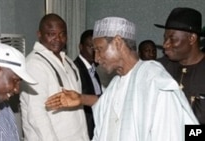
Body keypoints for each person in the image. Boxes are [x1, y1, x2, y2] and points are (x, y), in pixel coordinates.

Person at [45, 17, 199, 141]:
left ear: (118, 42)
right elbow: (108, 111)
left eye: (99, 49)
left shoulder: (154, 81)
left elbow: (169, 134)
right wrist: (80, 98)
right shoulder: (116, 83)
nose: (96, 58)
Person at [20, 13, 89, 141]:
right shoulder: (34, 64)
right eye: (51, 34)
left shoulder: (68, 61)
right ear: (39, 34)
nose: (58, 39)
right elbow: (36, 114)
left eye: (62, 34)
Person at [155, 7, 205, 124]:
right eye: (165, 38)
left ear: (192, 38)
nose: (165, 45)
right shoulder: (158, 68)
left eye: (172, 39)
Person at [74, 29, 102, 139]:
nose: (94, 51)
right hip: (84, 128)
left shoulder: (93, 69)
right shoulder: (75, 68)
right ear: (81, 47)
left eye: (96, 48)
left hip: (96, 126)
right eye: (90, 47)